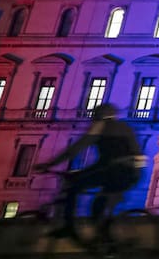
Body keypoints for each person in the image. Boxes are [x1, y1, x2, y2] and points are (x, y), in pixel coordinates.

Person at [33, 103, 145, 243]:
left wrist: (50, 164)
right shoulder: (126, 128)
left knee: (74, 186)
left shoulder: (100, 126)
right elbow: (131, 155)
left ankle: (69, 227)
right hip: (130, 173)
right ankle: (103, 236)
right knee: (99, 201)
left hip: (114, 171)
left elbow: (74, 149)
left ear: (98, 116)